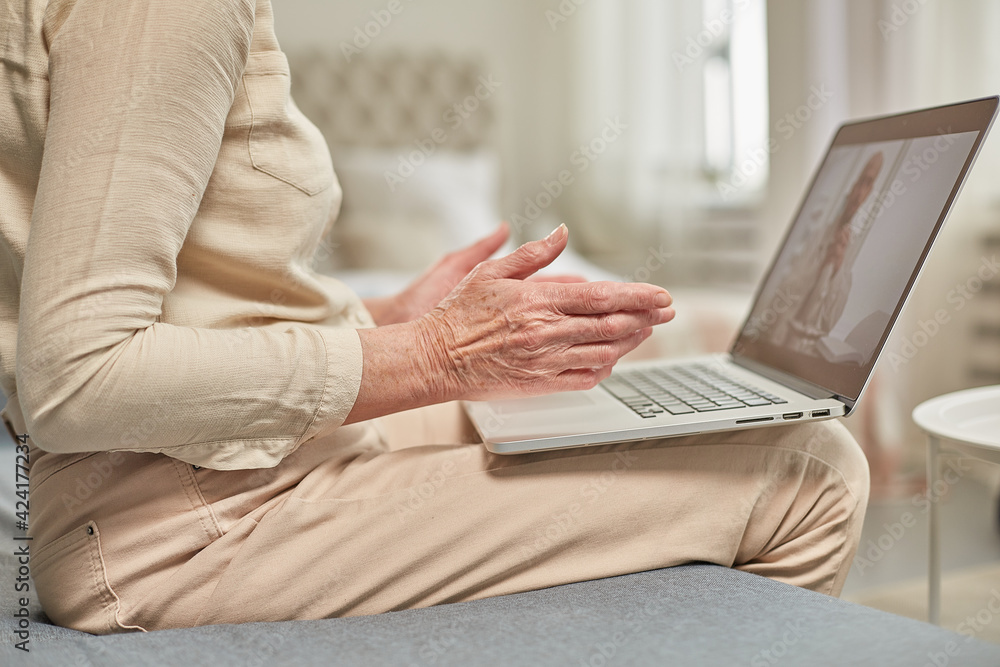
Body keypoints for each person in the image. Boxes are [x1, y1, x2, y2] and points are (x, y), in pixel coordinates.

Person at [0, 0, 869, 634]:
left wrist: (380, 318)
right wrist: (433, 355)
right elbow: (79, 379)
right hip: (180, 514)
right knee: (812, 473)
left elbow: (181, 289)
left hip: (236, 454)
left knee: (662, 406)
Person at [764, 151, 885, 356]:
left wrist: (836, 269)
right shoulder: (817, 234)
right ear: (852, 186)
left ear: (870, 191)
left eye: (868, 184)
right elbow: (783, 292)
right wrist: (819, 269)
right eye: (860, 182)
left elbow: (829, 321)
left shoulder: (852, 252)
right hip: (780, 342)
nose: (859, 193)